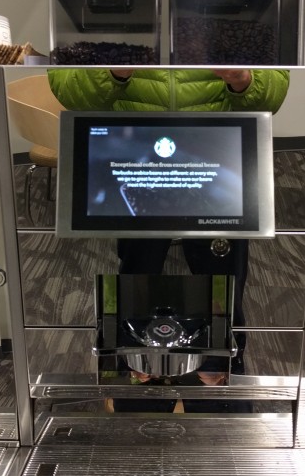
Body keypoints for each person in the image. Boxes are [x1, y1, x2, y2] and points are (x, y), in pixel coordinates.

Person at [49, 67, 290, 411]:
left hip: (217, 155)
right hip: (135, 159)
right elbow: (72, 94)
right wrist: (115, 73)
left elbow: (273, 93)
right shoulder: (94, 29)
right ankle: (137, 371)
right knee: (137, 278)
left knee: (225, 286)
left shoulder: (242, 17)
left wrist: (244, 79)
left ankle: (220, 368)